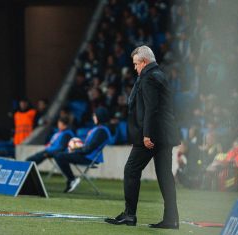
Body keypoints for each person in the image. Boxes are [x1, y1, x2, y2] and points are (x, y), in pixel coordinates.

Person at [105, 45, 180, 229]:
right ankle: (172, 218)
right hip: (164, 133)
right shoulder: (159, 75)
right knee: (164, 176)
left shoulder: (149, 78)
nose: (135, 68)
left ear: (144, 62)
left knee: (131, 170)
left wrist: (147, 134)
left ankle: (129, 215)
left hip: (151, 135)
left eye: (136, 64)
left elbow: (151, 108)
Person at [54, 107, 113, 193]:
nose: (93, 117)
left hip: (89, 157)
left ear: (100, 117)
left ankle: (71, 179)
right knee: (59, 155)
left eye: (95, 115)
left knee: (59, 156)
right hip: (86, 155)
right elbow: (87, 147)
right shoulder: (98, 129)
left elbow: (89, 149)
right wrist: (76, 149)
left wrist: (75, 150)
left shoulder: (102, 131)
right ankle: (71, 180)